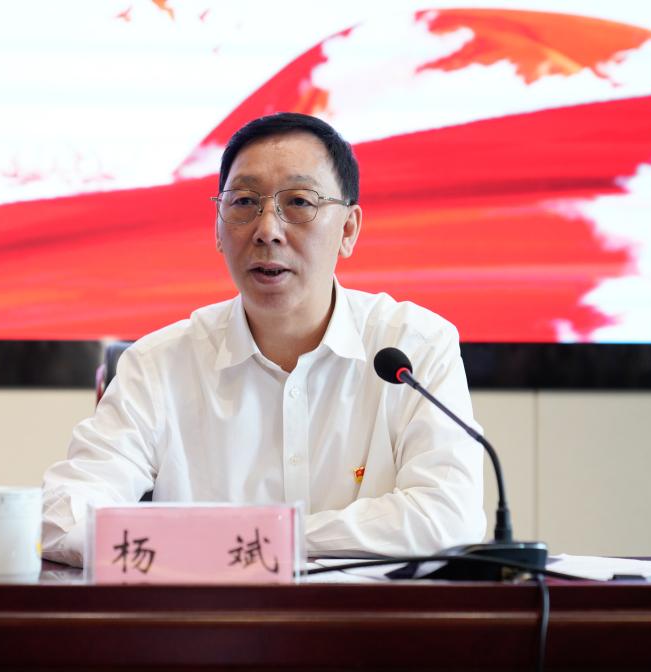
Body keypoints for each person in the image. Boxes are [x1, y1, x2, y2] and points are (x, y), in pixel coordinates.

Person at [41, 112, 485, 566]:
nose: (267, 230)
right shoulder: (158, 365)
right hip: (209, 614)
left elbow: (449, 518)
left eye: (299, 202)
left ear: (348, 230)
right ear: (217, 228)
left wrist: (256, 539)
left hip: (368, 614)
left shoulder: (415, 347)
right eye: (244, 202)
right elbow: (61, 519)